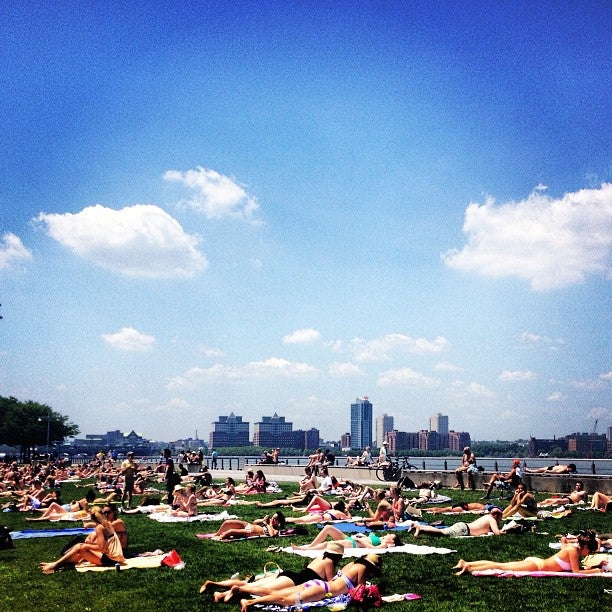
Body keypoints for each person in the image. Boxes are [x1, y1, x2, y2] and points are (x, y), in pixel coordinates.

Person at [202, 542, 345, 602]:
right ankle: (231, 592)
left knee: (252, 584)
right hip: (294, 581)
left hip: (290, 575)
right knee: (260, 590)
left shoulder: (320, 557)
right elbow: (331, 584)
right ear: (338, 556)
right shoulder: (330, 562)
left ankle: (216, 586)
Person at [239, 554, 382, 612]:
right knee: (286, 600)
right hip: (322, 590)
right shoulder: (362, 568)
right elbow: (360, 590)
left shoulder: (351, 564)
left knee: (276, 593)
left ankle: (243, 590)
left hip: (317, 583)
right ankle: (248, 603)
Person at [453, 530, 602, 575]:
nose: (588, 554)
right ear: (585, 547)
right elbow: (576, 573)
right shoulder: (573, 551)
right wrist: (596, 570)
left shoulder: (571, 548)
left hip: (537, 563)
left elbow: (577, 568)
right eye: (589, 551)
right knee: (502, 567)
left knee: (501, 565)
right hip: (537, 566)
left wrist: (590, 568)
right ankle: (470, 568)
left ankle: (466, 563)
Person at [40, 507, 125, 573]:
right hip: (116, 558)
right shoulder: (107, 525)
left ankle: (55, 564)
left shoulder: (100, 527)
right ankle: (57, 564)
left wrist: (87, 545)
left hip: (111, 560)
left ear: (92, 517)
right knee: (80, 550)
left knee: (80, 546)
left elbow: (101, 548)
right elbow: (106, 545)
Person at [291, 524, 399, 551]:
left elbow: (374, 549)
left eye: (391, 536)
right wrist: (362, 536)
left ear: (392, 541)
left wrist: (361, 540)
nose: (388, 534)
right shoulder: (380, 537)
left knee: (327, 544)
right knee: (328, 527)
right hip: (350, 538)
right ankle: (311, 545)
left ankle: (304, 549)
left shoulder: (385, 544)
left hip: (354, 543)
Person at [413, 506, 505, 538]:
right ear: (496, 516)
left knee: (444, 531)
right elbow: (497, 533)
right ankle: (420, 528)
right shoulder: (492, 520)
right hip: (464, 529)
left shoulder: (487, 517)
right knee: (442, 532)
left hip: (463, 527)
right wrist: (506, 530)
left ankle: (418, 526)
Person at [213, 512, 286, 540]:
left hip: (249, 531)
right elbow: (255, 522)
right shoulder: (268, 521)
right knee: (227, 522)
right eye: (273, 517)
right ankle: (217, 534)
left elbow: (272, 535)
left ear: (279, 522)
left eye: (275, 519)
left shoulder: (275, 530)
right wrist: (263, 520)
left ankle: (219, 538)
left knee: (230, 531)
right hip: (248, 525)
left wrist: (267, 525)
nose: (272, 519)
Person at [285, 497, 350, 524]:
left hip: (317, 514)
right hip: (319, 517)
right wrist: (347, 512)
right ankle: (283, 520)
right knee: (300, 520)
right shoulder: (339, 513)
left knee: (299, 519)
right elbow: (349, 518)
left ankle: (284, 519)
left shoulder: (332, 510)